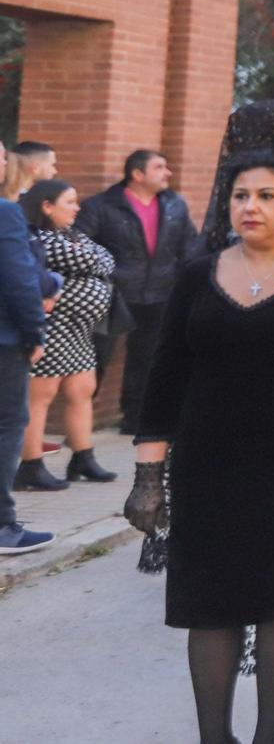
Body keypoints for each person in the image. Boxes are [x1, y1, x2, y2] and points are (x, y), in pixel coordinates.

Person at [123, 99, 274, 744]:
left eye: (266, 195)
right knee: (211, 601)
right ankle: (214, 737)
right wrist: (148, 476)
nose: (250, 206)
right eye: (239, 195)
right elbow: (165, 377)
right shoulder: (199, 276)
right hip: (207, 465)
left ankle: (266, 738)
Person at [77, 148, 199, 434]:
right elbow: (81, 245)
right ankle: (79, 424)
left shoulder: (174, 205)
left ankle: (134, 418)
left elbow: (190, 246)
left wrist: (185, 284)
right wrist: (105, 277)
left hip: (159, 292)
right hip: (113, 293)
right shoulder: (101, 206)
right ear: (137, 174)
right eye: (159, 167)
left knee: (147, 359)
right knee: (96, 356)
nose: (167, 173)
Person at [15, 179, 117, 489]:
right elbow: (90, 259)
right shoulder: (40, 238)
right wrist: (94, 259)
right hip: (51, 327)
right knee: (41, 395)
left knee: (82, 389)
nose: (77, 208)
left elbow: (107, 258)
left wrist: (95, 258)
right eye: (69, 202)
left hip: (78, 330)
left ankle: (83, 456)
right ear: (47, 206)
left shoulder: (70, 235)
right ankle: (30, 465)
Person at [0, 141, 54, 556]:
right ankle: (3, 525)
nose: (6, 162)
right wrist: (36, 332)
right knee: (7, 424)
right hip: (4, 340)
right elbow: (19, 282)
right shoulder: (5, 214)